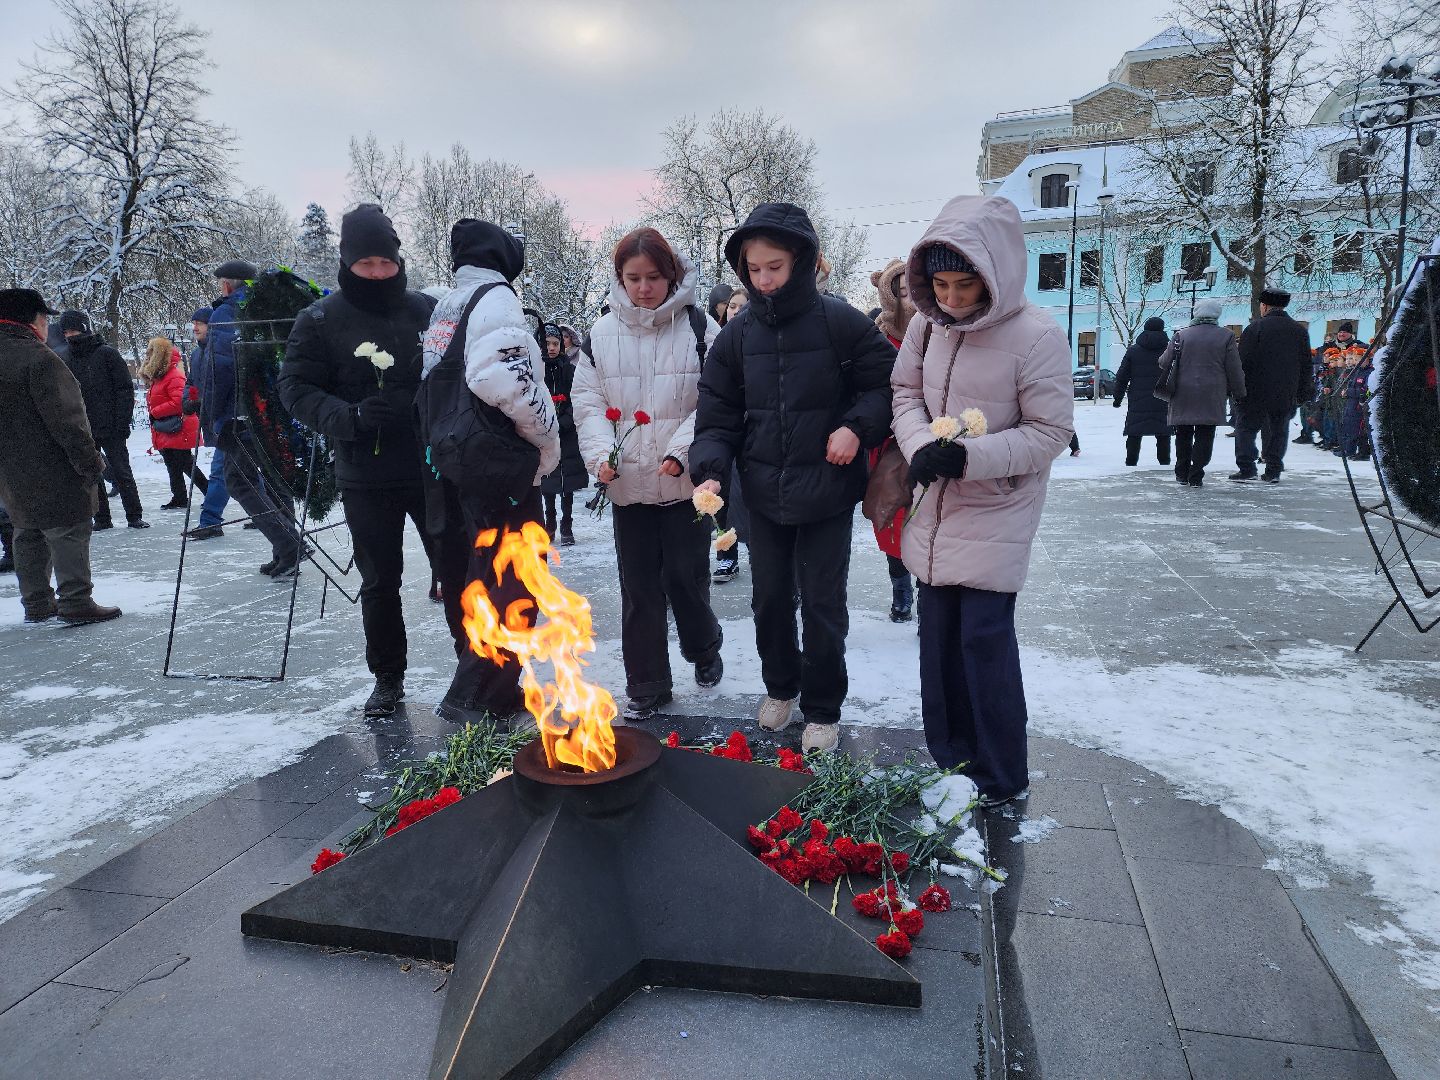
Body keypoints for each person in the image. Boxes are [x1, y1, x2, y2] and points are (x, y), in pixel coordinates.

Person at [690, 203, 896, 753]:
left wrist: (856, 427)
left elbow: (886, 387)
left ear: (801, 261)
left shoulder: (841, 321)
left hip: (827, 490)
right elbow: (715, 413)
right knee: (770, 599)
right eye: (754, 270)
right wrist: (710, 471)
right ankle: (781, 687)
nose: (764, 280)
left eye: (775, 267)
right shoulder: (735, 338)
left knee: (824, 603)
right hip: (763, 493)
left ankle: (823, 707)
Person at [891, 196, 1073, 807]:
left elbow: (1049, 434)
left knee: (983, 644)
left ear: (993, 273)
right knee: (937, 643)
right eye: (940, 284)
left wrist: (970, 457)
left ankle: (1000, 772)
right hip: (934, 510)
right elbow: (905, 394)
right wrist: (921, 447)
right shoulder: (925, 325)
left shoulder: (1038, 336)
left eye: (964, 285)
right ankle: (950, 758)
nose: (952, 298)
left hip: (995, 507)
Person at [280, 203, 439, 717]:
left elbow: (458, 375)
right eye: (365, 264)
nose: (376, 273)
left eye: (385, 263)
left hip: (429, 467)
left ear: (399, 261)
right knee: (380, 580)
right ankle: (388, 676)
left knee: (457, 570)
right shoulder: (321, 319)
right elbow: (296, 387)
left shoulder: (426, 311)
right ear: (347, 264)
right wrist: (347, 416)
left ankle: (476, 664)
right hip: (365, 473)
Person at [573, 228, 724, 721]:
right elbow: (588, 402)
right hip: (629, 487)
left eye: (654, 277)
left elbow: (716, 403)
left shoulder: (700, 329)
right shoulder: (600, 335)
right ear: (619, 279)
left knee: (685, 578)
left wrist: (682, 451)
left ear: (671, 276)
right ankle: (647, 682)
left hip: (683, 487)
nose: (644, 288)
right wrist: (601, 455)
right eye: (633, 278)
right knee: (638, 589)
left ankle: (704, 647)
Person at [423, 218, 560, 722]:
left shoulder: (450, 303)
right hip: (501, 467)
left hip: (458, 464)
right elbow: (509, 381)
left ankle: (493, 692)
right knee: (516, 577)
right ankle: (477, 693)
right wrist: (547, 444)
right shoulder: (498, 302)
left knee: (481, 576)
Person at [0, 288, 121, 625]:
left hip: (9, 469)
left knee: (26, 529)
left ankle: (36, 603)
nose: (46, 326)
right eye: (44, 318)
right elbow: (67, 419)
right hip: (52, 464)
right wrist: (90, 462)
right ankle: (76, 600)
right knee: (68, 526)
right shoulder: (39, 358)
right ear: (31, 319)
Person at [197, 259, 304, 574]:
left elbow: (222, 370)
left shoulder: (226, 314)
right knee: (273, 480)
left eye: (221, 284)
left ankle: (289, 545)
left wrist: (215, 416)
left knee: (238, 481)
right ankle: (286, 552)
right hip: (274, 411)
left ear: (228, 285)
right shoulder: (269, 309)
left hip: (241, 415)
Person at [58, 310, 148, 530]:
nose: (70, 335)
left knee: (121, 470)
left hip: (111, 426)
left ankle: (134, 515)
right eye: (67, 332)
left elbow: (124, 390)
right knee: (93, 475)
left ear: (84, 328)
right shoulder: (65, 358)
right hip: (83, 427)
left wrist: (122, 422)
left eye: (74, 330)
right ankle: (101, 517)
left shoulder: (107, 354)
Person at [870, 257, 917, 621]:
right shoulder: (876, 339)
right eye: (901, 293)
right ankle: (901, 586)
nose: (910, 300)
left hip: (932, 441)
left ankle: (930, 589)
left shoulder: (941, 333)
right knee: (892, 518)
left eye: (915, 291)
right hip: (887, 446)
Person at [1158, 298, 1245, 487]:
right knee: (1206, 433)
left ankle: (1181, 472)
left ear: (1196, 313)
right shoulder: (1226, 336)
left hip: (1182, 391)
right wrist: (1239, 391)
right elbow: (1234, 367)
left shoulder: (1181, 335)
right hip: (1212, 392)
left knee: (1183, 433)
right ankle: (1196, 473)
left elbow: (1164, 362)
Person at [1231, 288, 1313, 483]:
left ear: (1265, 305)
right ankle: (1273, 470)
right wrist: (1302, 392)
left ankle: (1247, 467)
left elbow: (1243, 361)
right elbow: (1306, 365)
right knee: (1278, 430)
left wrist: (1236, 388)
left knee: (1246, 429)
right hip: (1284, 392)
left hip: (1254, 391)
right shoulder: (1299, 330)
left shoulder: (1255, 328)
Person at [138, 337, 207, 508]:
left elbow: (179, 402)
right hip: (167, 426)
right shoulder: (161, 377)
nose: (148, 356)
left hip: (179, 426)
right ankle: (179, 497)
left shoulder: (173, 376)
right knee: (172, 463)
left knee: (185, 463)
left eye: (151, 352)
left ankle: (209, 492)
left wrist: (155, 412)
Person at [712, 286, 751, 584]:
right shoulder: (716, 342)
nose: (736, 310)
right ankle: (726, 556)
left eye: (741, 305)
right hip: (726, 430)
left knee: (748, 500)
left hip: (754, 430)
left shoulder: (755, 340)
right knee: (723, 501)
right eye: (732, 306)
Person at [538, 324, 589, 545]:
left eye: (555, 343)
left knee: (566, 482)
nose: (551, 348)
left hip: (566, 433)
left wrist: (564, 421)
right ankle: (549, 522)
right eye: (547, 343)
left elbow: (576, 397)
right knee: (547, 480)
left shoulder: (568, 369)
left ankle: (566, 523)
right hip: (542, 434)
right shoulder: (534, 370)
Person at [184, 306, 230, 539]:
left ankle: (210, 520)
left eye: (199, 323)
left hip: (226, 421)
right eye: (194, 323)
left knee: (220, 471)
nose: (195, 328)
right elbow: (192, 382)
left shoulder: (220, 350)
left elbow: (222, 385)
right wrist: (189, 400)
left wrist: (205, 401)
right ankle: (270, 515)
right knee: (243, 472)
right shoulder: (196, 354)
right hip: (211, 420)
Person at [1112, 317, 1173, 466]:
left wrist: (1117, 399)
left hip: (1138, 399)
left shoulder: (1133, 351)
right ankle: (1164, 463)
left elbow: (1122, 377)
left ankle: (1131, 463)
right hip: (1163, 397)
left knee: (1135, 431)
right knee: (1163, 432)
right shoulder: (1170, 350)